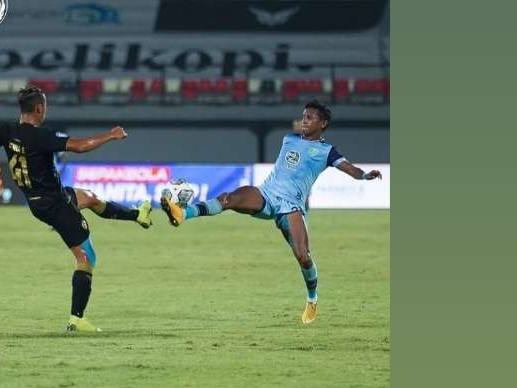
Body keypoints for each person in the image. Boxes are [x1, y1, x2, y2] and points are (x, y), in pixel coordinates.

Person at [160, 100, 382, 324]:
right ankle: (182, 214)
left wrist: (364, 175)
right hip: (266, 194)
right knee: (228, 199)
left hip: (291, 206)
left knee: (303, 257)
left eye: (310, 118)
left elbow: (350, 169)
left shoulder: (326, 151)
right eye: (303, 116)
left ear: (323, 123)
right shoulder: (290, 139)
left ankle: (312, 299)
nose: (304, 120)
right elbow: (298, 129)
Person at [0, 85, 152, 332]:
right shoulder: (41, 136)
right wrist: (111, 135)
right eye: (45, 106)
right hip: (54, 204)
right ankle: (77, 319)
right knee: (86, 257)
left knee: (89, 198)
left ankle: (138, 215)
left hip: (41, 200)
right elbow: (79, 146)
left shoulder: (7, 131)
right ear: (39, 108)